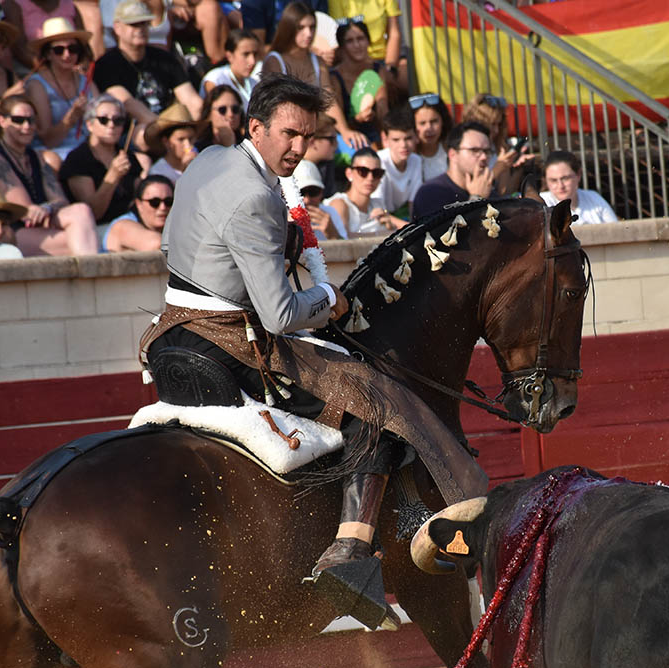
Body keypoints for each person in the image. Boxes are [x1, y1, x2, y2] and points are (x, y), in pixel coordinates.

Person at [141, 73, 486, 625]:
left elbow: (174, 242)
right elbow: (280, 315)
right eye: (287, 134)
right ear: (256, 126)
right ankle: (348, 556)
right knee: (374, 396)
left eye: (307, 136)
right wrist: (330, 298)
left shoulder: (207, 158)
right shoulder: (257, 196)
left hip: (170, 329)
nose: (298, 148)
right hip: (226, 339)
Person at [0, 94, 100, 256]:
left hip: (38, 227)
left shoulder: (37, 157)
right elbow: (26, 211)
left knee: (81, 211)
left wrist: (46, 208)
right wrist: (41, 211)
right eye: (18, 120)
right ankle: (91, 279)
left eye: (31, 120)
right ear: (2, 121)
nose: (27, 126)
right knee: (83, 240)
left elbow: (61, 201)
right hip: (5, 232)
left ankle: (90, 276)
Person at [260, 2, 367, 149]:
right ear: (289, 28)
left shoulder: (318, 61)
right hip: (286, 135)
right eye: (301, 28)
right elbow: (275, 108)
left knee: (357, 148)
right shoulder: (274, 60)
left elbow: (328, 100)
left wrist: (345, 131)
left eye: (312, 27)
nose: (308, 33)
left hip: (318, 131)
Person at [94, 0, 203, 128]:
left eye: (144, 24)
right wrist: (166, 131)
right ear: (117, 27)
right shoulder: (107, 65)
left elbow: (193, 101)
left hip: (171, 126)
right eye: (134, 24)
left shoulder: (165, 59)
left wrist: (190, 129)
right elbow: (130, 104)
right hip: (131, 132)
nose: (140, 29)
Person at [61, 94, 148, 223]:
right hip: (99, 229)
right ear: (89, 125)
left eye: (118, 120)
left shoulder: (127, 155)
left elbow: (140, 195)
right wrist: (113, 176)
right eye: (103, 120)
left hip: (132, 221)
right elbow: (93, 213)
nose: (111, 125)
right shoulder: (78, 159)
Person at [25, 18, 99, 163]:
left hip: (88, 149)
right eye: (59, 50)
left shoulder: (86, 81)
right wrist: (71, 117)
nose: (67, 55)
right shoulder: (37, 85)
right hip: (55, 154)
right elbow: (48, 140)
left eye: (73, 49)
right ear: (47, 54)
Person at [411, 120, 493, 218]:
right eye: (474, 150)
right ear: (453, 154)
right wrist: (476, 199)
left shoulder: (488, 190)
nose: (484, 157)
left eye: (487, 151)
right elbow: (445, 233)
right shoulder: (431, 192)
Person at [328, 17, 387, 148]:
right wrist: (356, 120)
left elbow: (384, 112)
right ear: (342, 47)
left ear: (368, 41)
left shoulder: (378, 69)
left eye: (360, 38)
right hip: (347, 139)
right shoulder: (334, 76)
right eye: (350, 41)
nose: (357, 45)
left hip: (376, 134)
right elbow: (337, 124)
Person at [462, 92, 535, 195]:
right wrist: (498, 167)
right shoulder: (465, 148)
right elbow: (471, 190)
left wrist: (518, 168)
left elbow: (505, 192)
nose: (496, 130)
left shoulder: (498, 147)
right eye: (492, 124)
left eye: (499, 124)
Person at [327, 0, 401, 90]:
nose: (357, 45)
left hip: (383, 61)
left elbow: (394, 33)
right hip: (350, 62)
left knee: (404, 80)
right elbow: (340, 37)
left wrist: (390, 69)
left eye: (360, 39)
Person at [327, 147, 397, 235]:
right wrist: (381, 235)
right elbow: (343, 240)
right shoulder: (340, 204)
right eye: (363, 171)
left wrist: (390, 228)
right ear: (349, 174)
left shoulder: (378, 204)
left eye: (376, 173)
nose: (370, 178)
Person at [540, 150, 618, 224]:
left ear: (578, 175)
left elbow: (616, 230)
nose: (560, 186)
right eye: (553, 180)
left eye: (565, 178)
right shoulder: (541, 203)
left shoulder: (594, 198)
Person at [2, 0, 85, 67]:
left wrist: (80, 66)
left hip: (72, 67)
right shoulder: (13, 4)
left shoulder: (69, 4)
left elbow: (84, 46)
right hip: (30, 70)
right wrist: (49, 71)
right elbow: (19, 48)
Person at [104, 173, 173, 251]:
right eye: (154, 202)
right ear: (138, 204)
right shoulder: (122, 225)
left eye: (168, 202)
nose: (163, 208)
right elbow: (157, 244)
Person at [376, 107, 420, 220]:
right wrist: (408, 228)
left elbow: (413, 203)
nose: (403, 145)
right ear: (385, 139)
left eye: (408, 138)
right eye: (396, 140)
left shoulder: (416, 160)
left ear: (416, 136)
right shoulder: (379, 162)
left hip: (398, 217)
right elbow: (378, 210)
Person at [200, 27, 260, 107]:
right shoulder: (215, 79)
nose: (252, 61)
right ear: (229, 56)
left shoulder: (254, 84)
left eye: (255, 54)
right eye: (246, 54)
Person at [239, 0, 327, 52]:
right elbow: (257, 49)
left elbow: (323, 32)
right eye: (300, 28)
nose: (308, 33)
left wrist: (324, 53)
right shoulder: (254, 2)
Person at [145, 102, 197, 182]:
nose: (188, 145)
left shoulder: (200, 157)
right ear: (166, 142)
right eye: (181, 139)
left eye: (190, 139)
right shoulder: (157, 172)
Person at [294, 159, 344, 239]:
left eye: (313, 192)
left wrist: (333, 235)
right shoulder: (281, 216)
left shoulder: (330, 213)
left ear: (321, 193)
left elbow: (348, 248)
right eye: (300, 193)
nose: (307, 200)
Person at [410, 91, 452, 182]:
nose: (428, 128)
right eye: (422, 123)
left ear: (443, 122)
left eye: (434, 121)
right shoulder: (406, 155)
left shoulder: (453, 150)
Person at [194, 83, 244, 147]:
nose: (230, 114)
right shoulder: (198, 147)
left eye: (235, 109)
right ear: (209, 113)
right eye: (222, 110)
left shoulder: (248, 145)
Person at [304, 112, 339, 198]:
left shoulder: (327, 166)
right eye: (331, 139)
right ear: (312, 142)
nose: (337, 144)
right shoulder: (291, 169)